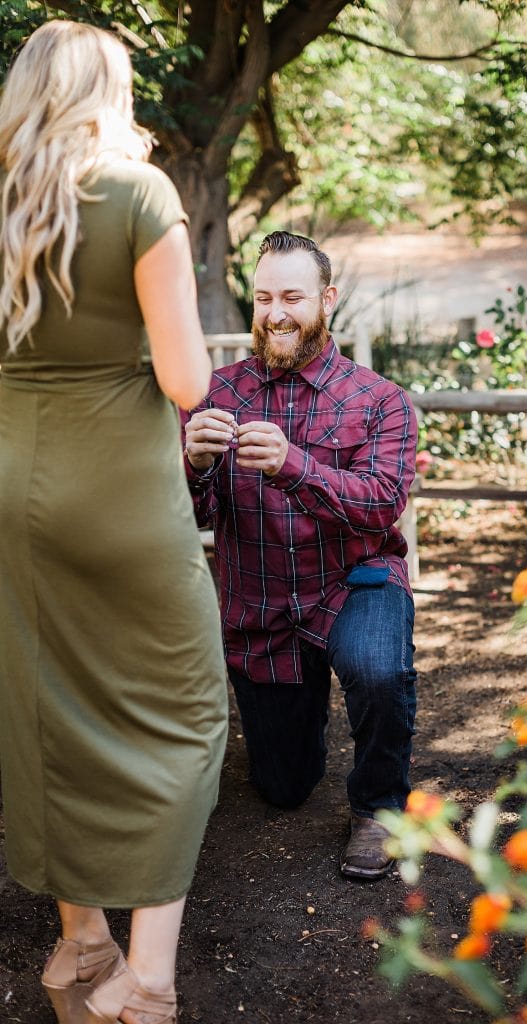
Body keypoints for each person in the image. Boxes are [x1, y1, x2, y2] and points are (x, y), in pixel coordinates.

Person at [0, 21, 228, 1024]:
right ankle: (148, 978)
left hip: (13, 482)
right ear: (109, 91)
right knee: (181, 708)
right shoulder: (137, 193)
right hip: (119, 491)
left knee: (45, 701)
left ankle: (79, 937)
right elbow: (186, 379)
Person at [183, 230, 418, 881]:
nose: (275, 312)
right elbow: (189, 521)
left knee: (375, 668)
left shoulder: (380, 400)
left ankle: (379, 807)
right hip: (259, 604)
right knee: (283, 786)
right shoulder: (211, 396)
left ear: (326, 300)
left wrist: (293, 465)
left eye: (291, 296)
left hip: (352, 583)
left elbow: (378, 506)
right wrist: (193, 464)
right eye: (262, 298)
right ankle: (297, 730)